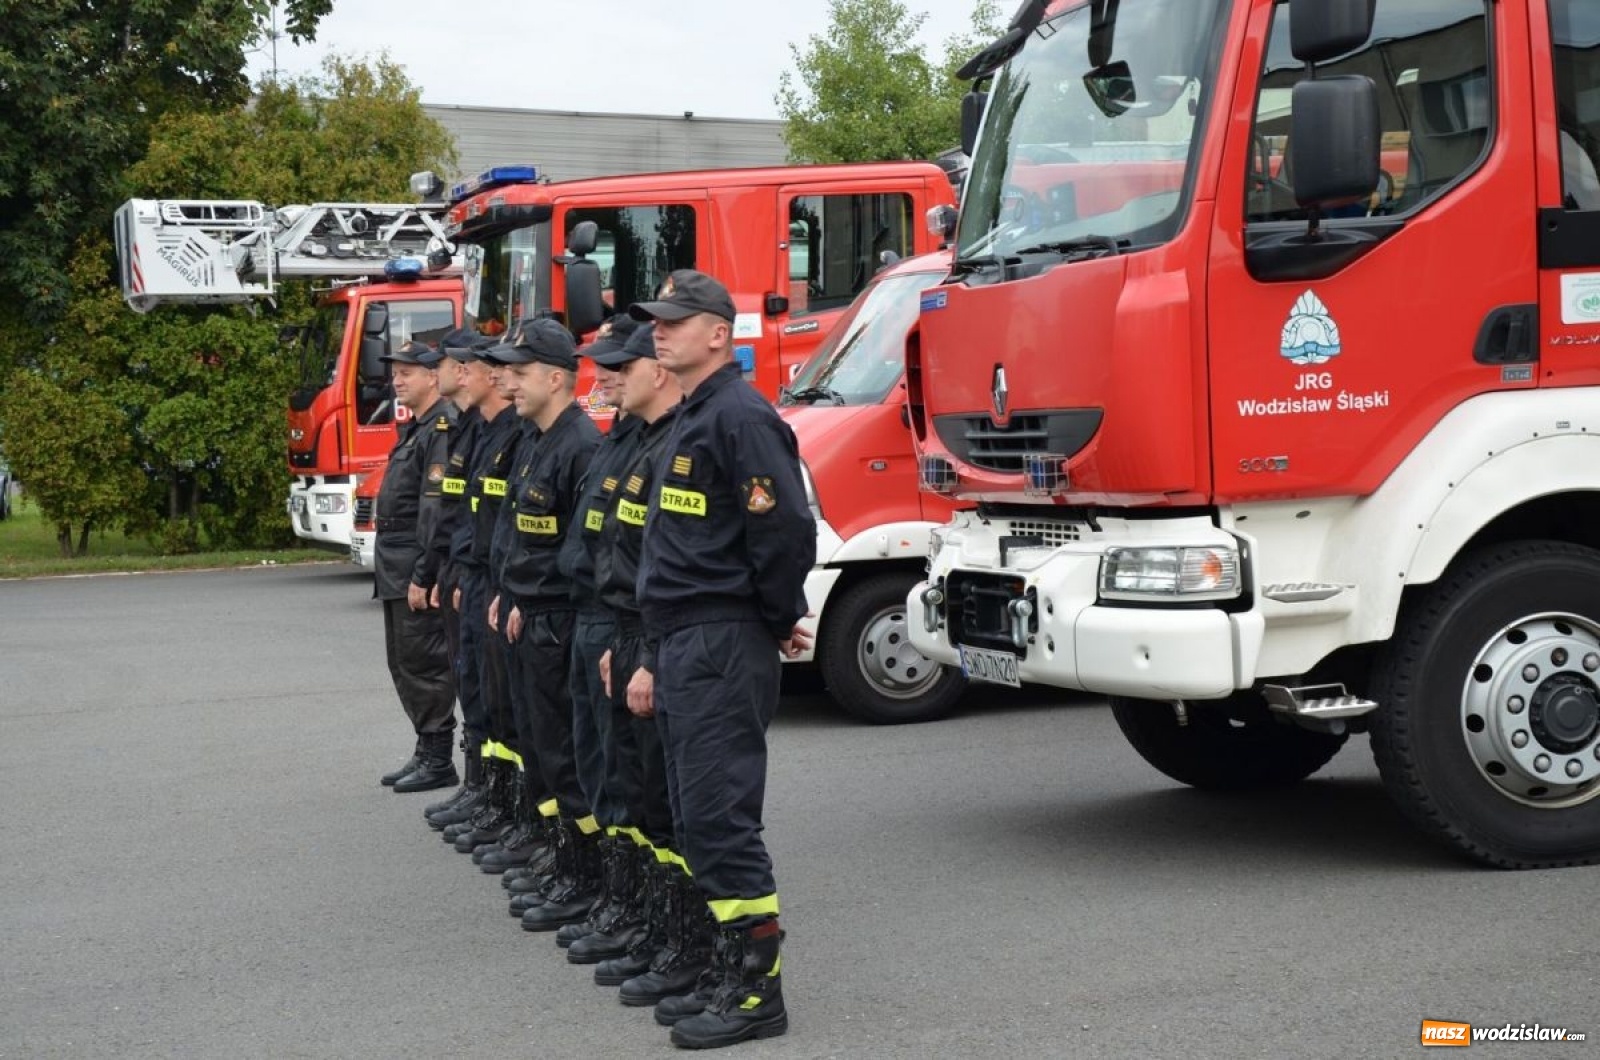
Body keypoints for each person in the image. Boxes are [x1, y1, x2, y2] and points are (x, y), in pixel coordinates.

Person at [630, 271, 816, 1048]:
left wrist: (774, 617)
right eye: (656, 321)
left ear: (718, 333)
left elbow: (784, 530)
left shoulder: (739, 415)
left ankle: (755, 996)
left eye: (675, 322)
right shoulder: (691, 416)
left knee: (719, 819)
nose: (657, 333)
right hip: (683, 638)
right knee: (693, 817)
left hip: (718, 637)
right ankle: (721, 967)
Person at [487, 317, 606, 928]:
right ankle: (564, 856)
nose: (509, 383)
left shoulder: (579, 445)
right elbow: (519, 534)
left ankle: (585, 873)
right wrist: (511, 593)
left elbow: (580, 550)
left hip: (560, 620)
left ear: (556, 377)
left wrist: (537, 601)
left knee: (566, 757)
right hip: (531, 614)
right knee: (542, 750)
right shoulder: (537, 438)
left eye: (521, 372)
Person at [421, 329, 504, 830]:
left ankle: (500, 802)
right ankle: (483, 790)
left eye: (455, 365)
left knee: (502, 703)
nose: (446, 374)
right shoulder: (472, 427)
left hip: (492, 581)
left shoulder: (501, 429)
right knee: (474, 687)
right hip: (468, 573)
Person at [373, 338, 459, 793]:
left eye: (407, 372)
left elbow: (436, 509)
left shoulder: (440, 428)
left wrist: (425, 572)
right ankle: (425, 748)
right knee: (403, 661)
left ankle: (438, 756)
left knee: (425, 661)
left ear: (432, 378)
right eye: (396, 371)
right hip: (395, 560)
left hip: (412, 561)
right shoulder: (419, 428)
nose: (397, 380)